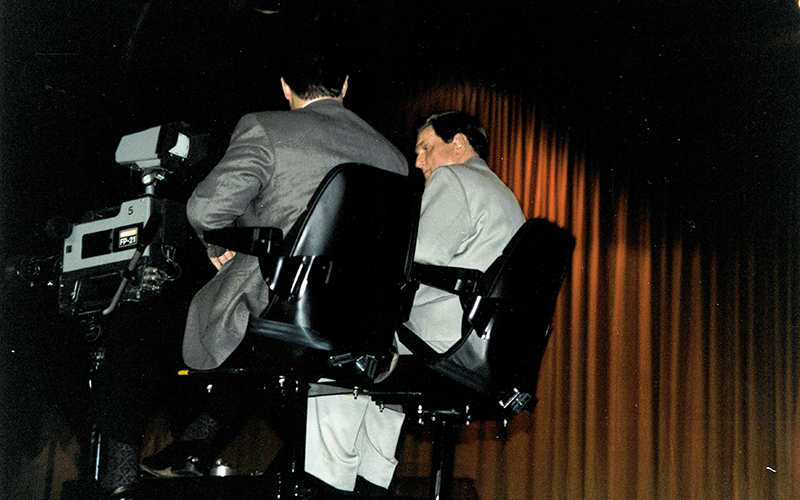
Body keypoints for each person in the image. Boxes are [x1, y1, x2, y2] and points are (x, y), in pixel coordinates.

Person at [132, 44, 408, 497]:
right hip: (363, 323)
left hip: (286, 306)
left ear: (284, 87)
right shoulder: (394, 157)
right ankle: (196, 446)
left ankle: (132, 476)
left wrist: (218, 242)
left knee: (136, 337)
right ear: (344, 86)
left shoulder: (266, 128)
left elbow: (204, 210)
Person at [304, 111, 526, 498]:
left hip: (437, 344)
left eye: (426, 148)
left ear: (459, 144)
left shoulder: (453, 177)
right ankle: (369, 486)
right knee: (378, 384)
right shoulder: (505, 196)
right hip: (480, 352)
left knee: (334, 369)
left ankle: (329, 487)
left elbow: (411, 258)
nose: (419, 161)